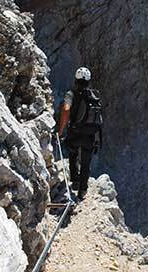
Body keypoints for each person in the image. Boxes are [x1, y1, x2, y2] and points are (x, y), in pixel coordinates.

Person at [58, 67, 103, 200]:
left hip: (75, 132)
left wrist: (61, 130)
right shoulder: (94, 96)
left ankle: (75, 182)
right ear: (88, 81)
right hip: (90, 134)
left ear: (75, 80)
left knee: (72, 152)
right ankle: (83, 190)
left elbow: (66, 110)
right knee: (86, 161)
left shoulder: (70, 94)